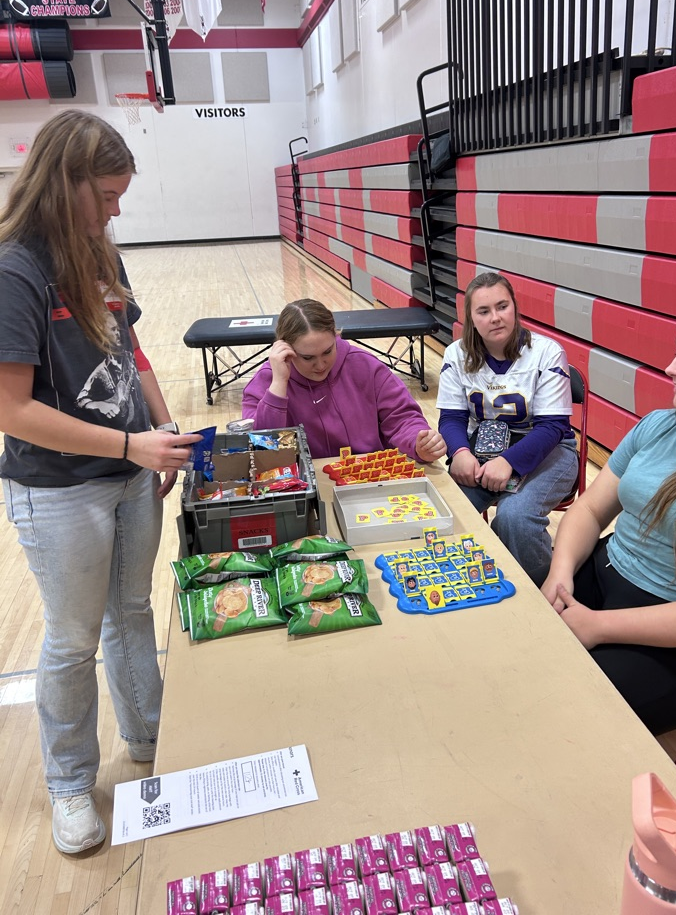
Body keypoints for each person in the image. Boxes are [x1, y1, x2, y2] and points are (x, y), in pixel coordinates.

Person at [0, 111, 200, 854]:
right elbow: (11, 409)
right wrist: (130, 444)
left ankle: (149, 737)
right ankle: (69, 783)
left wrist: (161, 426)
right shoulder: (15, 269)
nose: (115, 212)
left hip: (131, 468)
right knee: (73, 637)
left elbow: (130, 347)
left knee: (132, 612)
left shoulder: (100, 251)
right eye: (107, 196)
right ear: (66, 182)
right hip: (60, 489)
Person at [541, 303, 676, 735]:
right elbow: (590, 509)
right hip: (607, 575)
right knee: (514, 634)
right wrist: (560, 575)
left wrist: (598, 626)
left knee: (568, 710)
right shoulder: (658, 425)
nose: (672, 368)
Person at [437, 272, 578, 584]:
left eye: (502, 306)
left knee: (515, 518)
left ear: (515, 307)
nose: (495, 317)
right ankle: (472, 584)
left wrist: (509, 461)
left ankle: (544, 593)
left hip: (550, 449)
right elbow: (451, 418)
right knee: (448, 509)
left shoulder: (547, 352)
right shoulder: (456, 354)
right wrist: (459, 452)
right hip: (483, 445)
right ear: (471, 319)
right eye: (483, 311)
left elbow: (553, 427)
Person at [241, 298, 446, 462]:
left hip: (367, 476)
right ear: (286, 349)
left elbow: (402, 417)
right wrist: (278, 385)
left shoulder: (364, 366)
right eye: (308, 357)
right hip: (303, 484)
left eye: (327, 351)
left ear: (336, 335)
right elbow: (263, 451)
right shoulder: (267, 381)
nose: (320, 365)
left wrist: (418, 442)